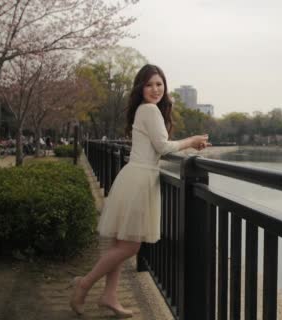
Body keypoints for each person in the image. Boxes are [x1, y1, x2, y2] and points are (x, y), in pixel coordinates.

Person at [69, 64, 210, 318]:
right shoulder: (149, 110)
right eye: (149, 85)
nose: (155, 89)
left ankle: (109, 296)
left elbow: (155, 146)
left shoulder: (145, 111)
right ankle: (85, 284)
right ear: (140, 88)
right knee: (130, 246)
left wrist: (188, 145)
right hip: (139, 180)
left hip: (134, 177)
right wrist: (191, 141)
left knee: (121, 243)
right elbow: (163, 147)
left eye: (159, 84)